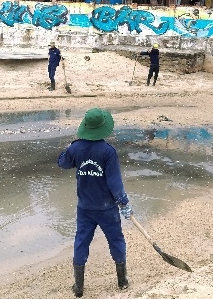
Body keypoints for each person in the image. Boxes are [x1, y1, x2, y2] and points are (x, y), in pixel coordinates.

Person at [57, 108, 133, 298]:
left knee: (81, 242)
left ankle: (79, 287)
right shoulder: (108, 152)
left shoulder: (76, 148)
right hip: (107, 208)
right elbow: (114, 182)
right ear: (103, 128)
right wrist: (123, 202)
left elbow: (62, 163)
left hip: (85, 208)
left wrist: (69, 149)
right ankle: (122, 282)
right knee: (116, 240)